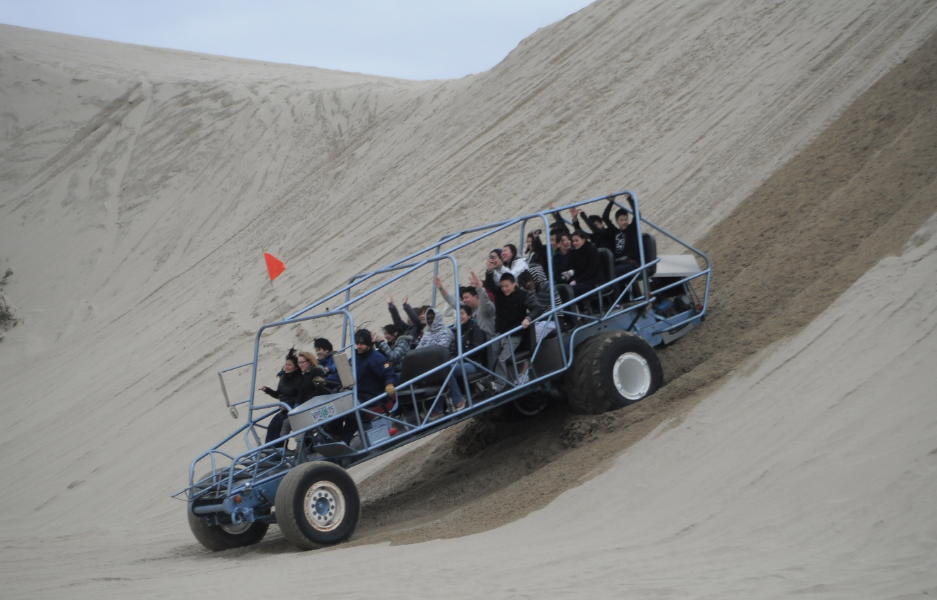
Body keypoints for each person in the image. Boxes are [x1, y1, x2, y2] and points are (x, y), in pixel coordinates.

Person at [485, 271, 543, 391]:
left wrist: (528, 318)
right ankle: (490, 381)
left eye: (507, 286)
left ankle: (499, 386)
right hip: (500, 333)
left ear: (514, 284)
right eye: (502, 286)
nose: (504, 289)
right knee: (491, 353)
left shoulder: (522, 296)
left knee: (503, 358)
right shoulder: (500, 294)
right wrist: (489, 272)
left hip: (515, 335)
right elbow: (490, 284)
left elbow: (537, 308)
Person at [258, 350, 303, 446]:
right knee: (272, 426)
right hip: (284, 410)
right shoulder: (283, 378)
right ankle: (268, 450)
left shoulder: (299, 379)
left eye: (289, 365)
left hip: (294, 409)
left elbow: (300, 397)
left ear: (295, 367)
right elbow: (278, 394)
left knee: (280, 425)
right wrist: (267, 390)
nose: (286, 367)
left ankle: (279, 452)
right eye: (286, 364)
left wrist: (288, 406)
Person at [447, 305, 489, 409]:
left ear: (469, 315)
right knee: (444, 368)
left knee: (448, 370)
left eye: (462, 314)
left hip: (474, 363)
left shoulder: (475, 329)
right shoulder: (459, 331)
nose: (460, 316)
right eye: (458, 314)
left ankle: (459, 400)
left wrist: (461, 358)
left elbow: (477, 349)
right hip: (461, 363)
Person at [517, 267, 559, 343]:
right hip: (543, 319)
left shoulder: (545, 285)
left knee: (532, 337)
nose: (528, 284)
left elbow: (539, 308)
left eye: (529, 280)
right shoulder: (537, 289)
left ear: (535, 277)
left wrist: (527, 293)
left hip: (552, 319)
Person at [604, 195, 642, 276]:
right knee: (607, 273)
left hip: (631, 264)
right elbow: (605, 217)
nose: (624, 222)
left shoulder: (631, 229)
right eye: (621, 220)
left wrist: (629, 199)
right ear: (617, 221)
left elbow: (637, 214)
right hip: (618, 264)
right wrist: (611, 202)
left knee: (613, 273)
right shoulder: (614, 231)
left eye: (626, 219)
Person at [561, 230, 602, 298]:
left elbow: (592, 271)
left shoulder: (592, 250)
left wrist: (577, 281)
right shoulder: (576, 252)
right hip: (583, 281)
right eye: (573, 241)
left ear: (584, 240)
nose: (574, 243)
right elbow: (577, 269)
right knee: (563, 289)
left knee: (569, 292)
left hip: (593, 282)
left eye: (577, 241)